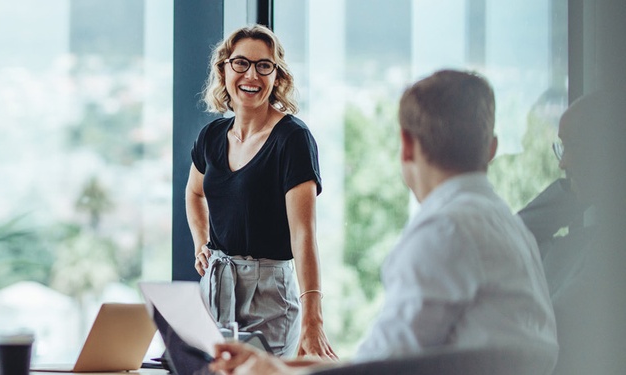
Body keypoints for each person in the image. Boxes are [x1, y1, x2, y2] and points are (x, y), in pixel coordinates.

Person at [210, 70, 559, 374]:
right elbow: (384, 361)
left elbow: (380, 372)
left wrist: (274, 374)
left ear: (406, 146)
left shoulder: (444, 232)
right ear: (491, 149)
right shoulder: (508, 227)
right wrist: (279, 365)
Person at [185, 24, 335, 359]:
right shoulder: (211, 136)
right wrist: (200, 243)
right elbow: (194, 194)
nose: (251, 75)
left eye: (263, 65)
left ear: (277, 76)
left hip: (269, 293)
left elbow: (304, 235)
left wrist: (314, 319)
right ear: (224, 70)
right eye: (240, 63)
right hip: (215, 286)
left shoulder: (292, 139)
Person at [539, 89, 626, 375]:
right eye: (561, 148)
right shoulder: (587, 239)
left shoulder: (612, 250)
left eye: (573, 146)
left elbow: (553, 324)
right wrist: (575, 191)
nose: (563, 163)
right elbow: (512, 241)